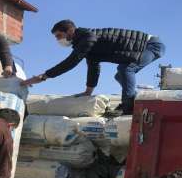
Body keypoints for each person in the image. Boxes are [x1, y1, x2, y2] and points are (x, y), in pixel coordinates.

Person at [21, 19, 165, 115]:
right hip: (141, 49)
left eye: (59, 36)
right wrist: (88, 92)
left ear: (69, 31)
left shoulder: (88, 37)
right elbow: (93, 68)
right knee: (119, 75)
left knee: (125, 70)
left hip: (150, 45)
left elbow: (71, 61)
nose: (58, 40)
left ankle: (129, 107)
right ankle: (133, 99)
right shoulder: (87, 45)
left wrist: (44, 76)